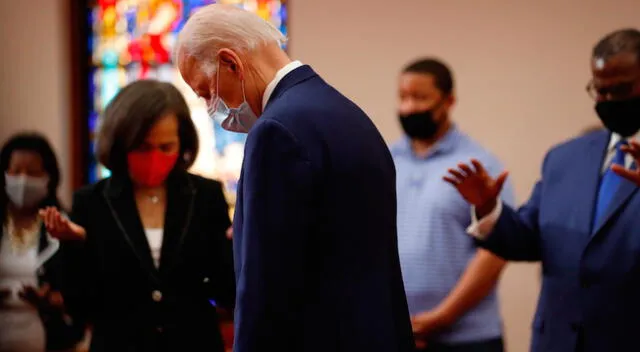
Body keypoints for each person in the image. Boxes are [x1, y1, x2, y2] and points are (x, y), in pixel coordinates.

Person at [175, 4, 415, 352]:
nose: (210, 108)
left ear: (231, 63)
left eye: (206, 92)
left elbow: (266, 289)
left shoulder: (276, 132)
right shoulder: (348, 114)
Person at [443, 28, 640, 352]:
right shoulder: (565, 158)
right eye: (599, 90)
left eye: (619, 89)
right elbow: (529, 238)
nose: (607, 100)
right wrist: (489, 208)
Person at [41, 80, 235, 351]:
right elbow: (79, 305)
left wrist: (237, 245)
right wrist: (76, 244)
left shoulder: (205, 194)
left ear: (183, 143)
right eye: (143, 147)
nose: (155, 157)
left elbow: (227, 291)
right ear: (121, 143)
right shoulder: (92, 201)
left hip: (192, 341)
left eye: (166, 147)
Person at [391, 58, 515, 352]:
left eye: (420, 98)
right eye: (403, 97)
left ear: (448, 101)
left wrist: (440, 318)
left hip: (467, 339)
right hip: (399, 334)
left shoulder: (478, 165)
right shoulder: (387, 160)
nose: (409, 108)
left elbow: (495, 253)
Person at [0, 133, 84, 352]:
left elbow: (83, 292)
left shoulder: (64, 226)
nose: (23, 180)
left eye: (32, 172)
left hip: (50, 340)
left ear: (49, 178)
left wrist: (56, 300)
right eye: (15, 171)